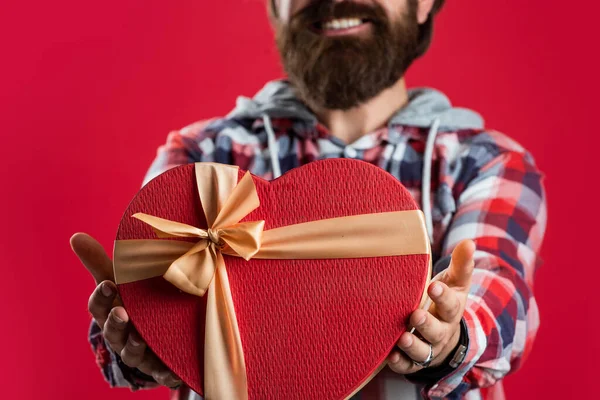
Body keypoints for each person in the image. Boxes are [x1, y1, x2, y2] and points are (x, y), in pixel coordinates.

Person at [71, 0, 547, 399]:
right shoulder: (203, 161)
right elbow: (132, 337)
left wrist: (452, 336)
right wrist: (141, 332)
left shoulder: (483, 162)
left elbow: (498, 292)